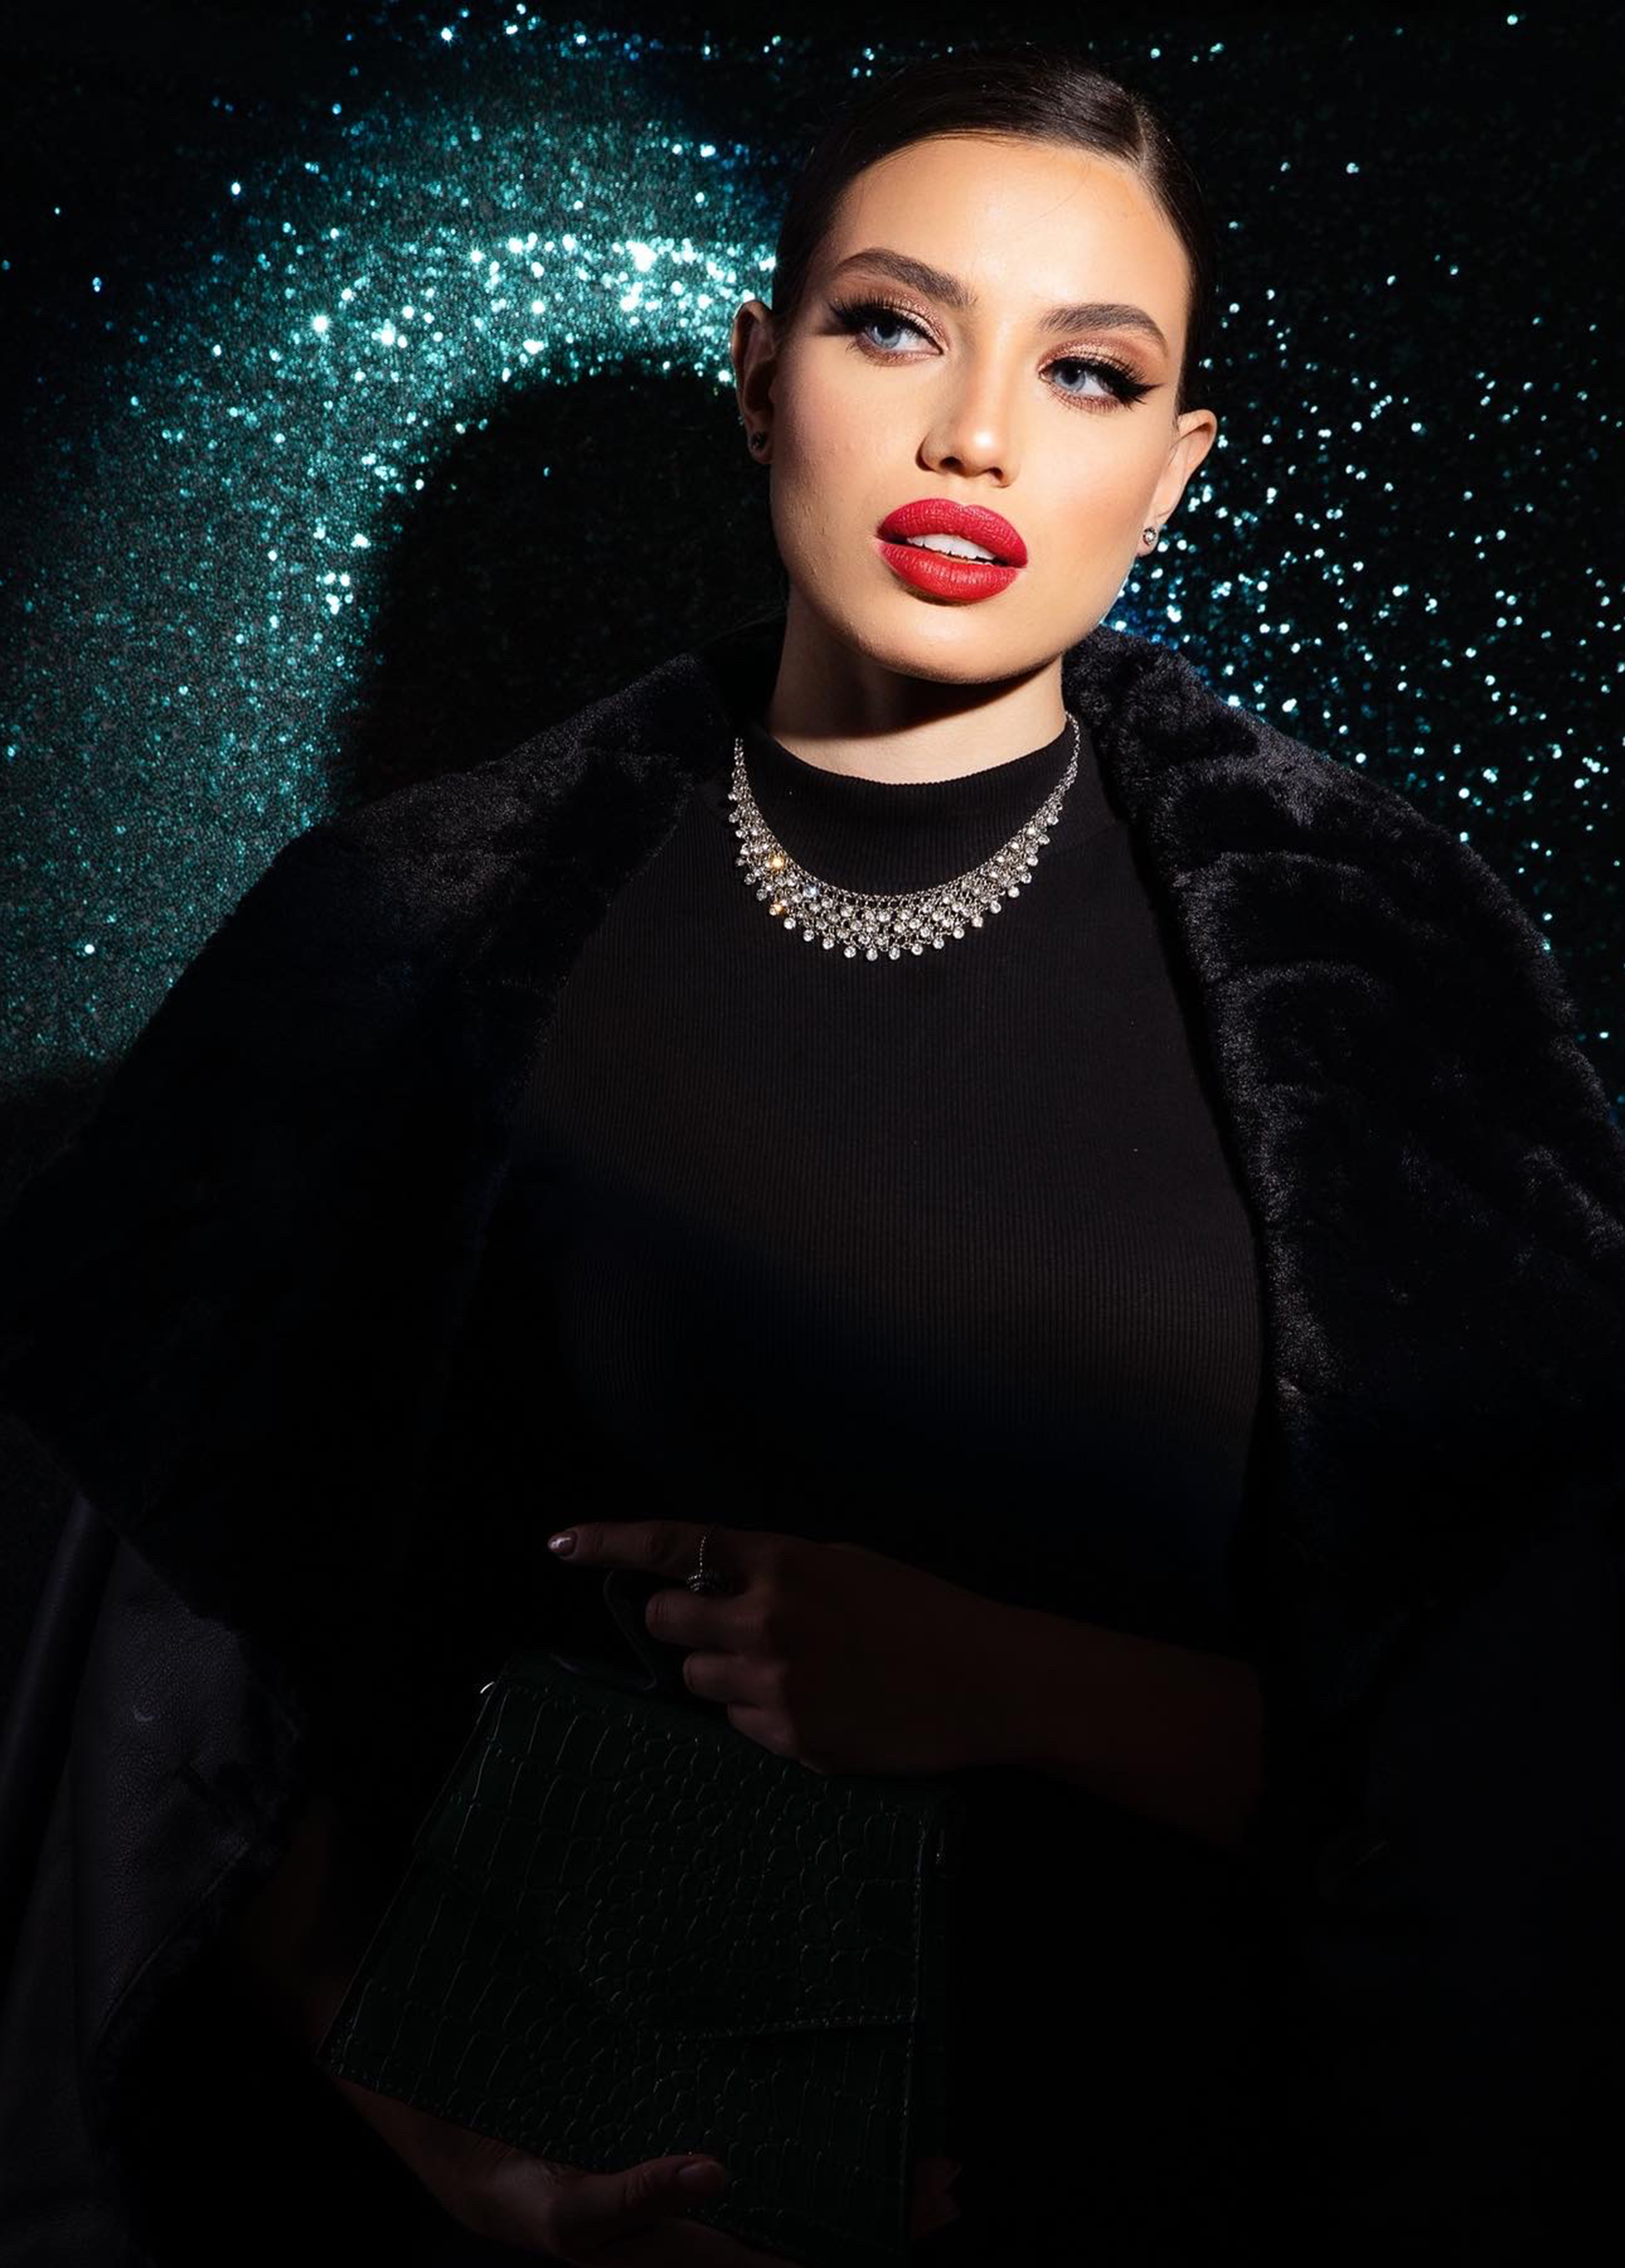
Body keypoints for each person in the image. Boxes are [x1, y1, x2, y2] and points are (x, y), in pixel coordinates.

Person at [2, 36, 1624, 2268]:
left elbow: (1538, 1759)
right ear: (762, 377)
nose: (975, 435)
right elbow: (158, 1711)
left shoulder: (1379, 970)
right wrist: (435, 2130)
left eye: (1085, 371)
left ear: (1172, 468)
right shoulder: (401, 939)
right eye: (894, 327)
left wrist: (1001, 1679)